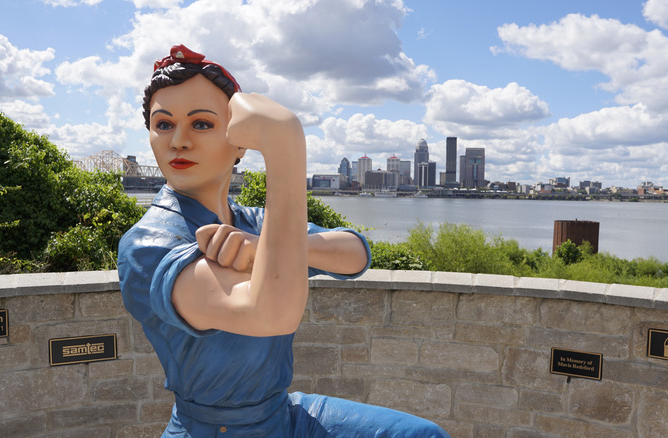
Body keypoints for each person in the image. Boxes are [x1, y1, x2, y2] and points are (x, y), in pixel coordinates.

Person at [117, 44, 450, 437]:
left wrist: (264, 249)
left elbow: (356, 252)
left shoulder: (254, 223)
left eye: (202, 124)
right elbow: (269, 314)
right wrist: (284, 143)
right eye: (163, 124)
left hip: (282, 415)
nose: (179, 141)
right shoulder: (147, 245)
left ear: (239, 142)